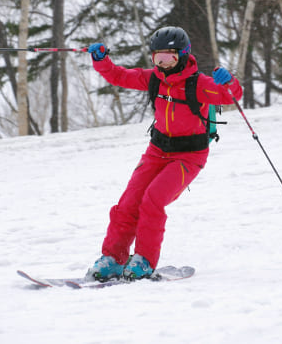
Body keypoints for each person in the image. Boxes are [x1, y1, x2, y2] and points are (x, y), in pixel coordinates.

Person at [85, 26, 243, 281]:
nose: (163, 62)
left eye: (169, 56)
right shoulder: (153, 78)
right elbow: (120, 76)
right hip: (157, 150)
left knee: (153, 200)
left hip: (189, 156)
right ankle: (113, 259)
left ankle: (144, 261)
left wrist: (230, 82)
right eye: (157, 57)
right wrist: (102, 61)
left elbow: (228, 96)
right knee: (128, 203)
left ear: (183, 55)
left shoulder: (199, 84)